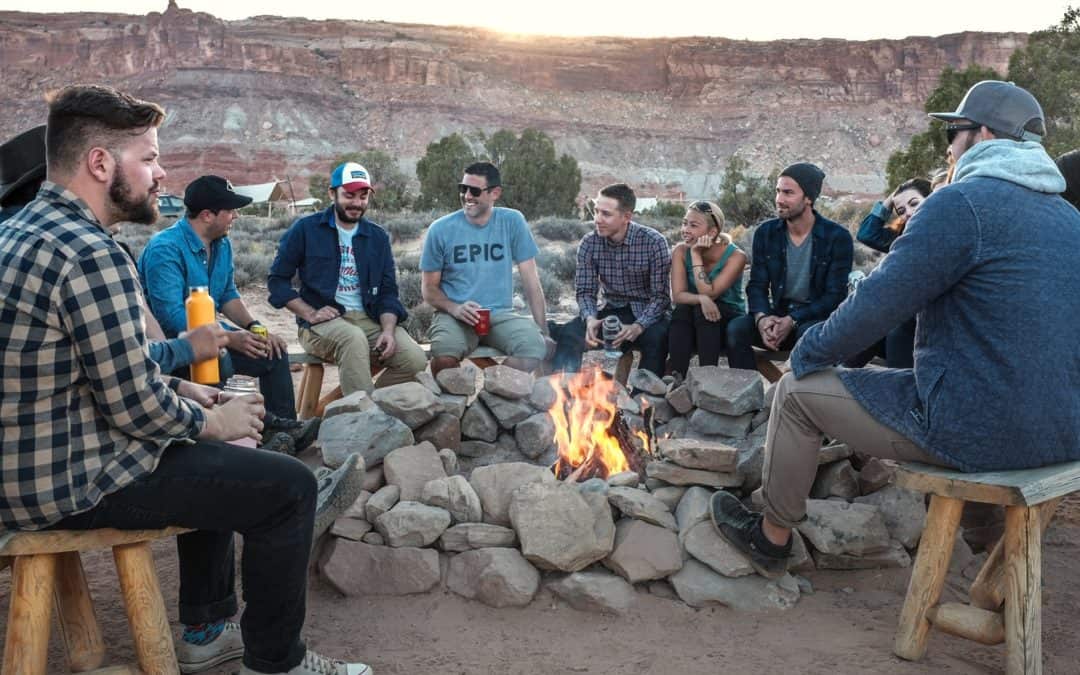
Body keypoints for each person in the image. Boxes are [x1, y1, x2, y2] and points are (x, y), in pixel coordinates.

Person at [709, 80, 1080, 579]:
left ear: (984, 134)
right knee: (987, 398)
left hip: (975, 427)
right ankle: (996, 558)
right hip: (1062, 432)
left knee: (795, 393)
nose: (949, 146)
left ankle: (770, 537)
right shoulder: (1068, 219)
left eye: (955, 132)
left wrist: (807, 351)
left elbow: (876, 305)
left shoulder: (959, 205)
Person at [138, 175, 318, 453]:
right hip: (176, 347)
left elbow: (227, 295)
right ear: (208, 215)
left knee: (272, 350)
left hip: (213, 334)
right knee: (219, 356)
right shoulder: (165, 249)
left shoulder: (222, 244)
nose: (235, 216)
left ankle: (285, 431)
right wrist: (229, 340)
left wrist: (255, 327)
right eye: (230, 210)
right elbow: (171, 318)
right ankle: (234, 439)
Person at [268, 162, 425, 395]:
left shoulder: (377, 237)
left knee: (414, 361)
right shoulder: (305, 229)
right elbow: (277, 281)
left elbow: (388, 292)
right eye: (349, 195)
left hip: (369, 319)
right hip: (320, 324)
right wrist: (309, 313)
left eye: (363, 196)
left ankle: (363, 404)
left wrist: (389, 330)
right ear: (332, 194)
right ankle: (363, 419)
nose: (356, 203)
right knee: (353, 339)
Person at [420, 161, 549, 375]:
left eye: (474, 190)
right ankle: (455, 406)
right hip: (454, 315)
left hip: (499, 315)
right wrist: (455, 308)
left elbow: (532, 283)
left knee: (534, 348)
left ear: (495, 193)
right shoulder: (440, 229)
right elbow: (428, 289)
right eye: (463, 189)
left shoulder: (512, 221)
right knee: (444, 356)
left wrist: (544, 330)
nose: (467, 196)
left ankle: (491, 399)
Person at [724, 162, 853, 371]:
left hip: (814, 320)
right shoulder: (766, 233)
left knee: (811, 335)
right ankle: (746, 401)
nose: (779, 199)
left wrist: (793, 320)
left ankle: (800, 400)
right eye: (777, 191)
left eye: (788, 193)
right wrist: (762, 319)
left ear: (808, 198)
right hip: (778, 316)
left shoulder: (836, 237)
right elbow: (757, 285)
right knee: (736, 329)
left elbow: (834, 296)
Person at [550, 183, 672, 377]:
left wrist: (638, 326)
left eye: (606, 214)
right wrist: (590, 318)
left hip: (647, 313)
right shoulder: (589, 243)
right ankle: (562, 392)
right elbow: (585, 291)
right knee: (571, 333)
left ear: (627, 217)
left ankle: (643, 401)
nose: (597, 219)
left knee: (657, 339)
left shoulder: (653, 242)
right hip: (611, 310)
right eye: (596, 211)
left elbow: (661, 297)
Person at [846, 177, 933, 369]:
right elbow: (867, 234)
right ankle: (833, 378)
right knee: (868, 328)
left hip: (926, 326)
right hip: (901, 324)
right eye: (901, 211)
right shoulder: (902, 239)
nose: (908, 213)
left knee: (894, 330)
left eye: (914, 204)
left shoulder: (949, 236)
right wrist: (891, 199)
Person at [667, 200, 746, 377]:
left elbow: (709, 293)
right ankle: (675, 379)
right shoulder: (680, 251)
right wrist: (701, 300)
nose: (685, 229)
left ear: (712, 232)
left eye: (693, 225)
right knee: (682, 310)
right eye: (684, 223)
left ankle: (707, 380)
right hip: (693, 316)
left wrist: (695, 254)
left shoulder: (736, 256)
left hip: (727, 317)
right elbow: (678, 296)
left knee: (701, 312)